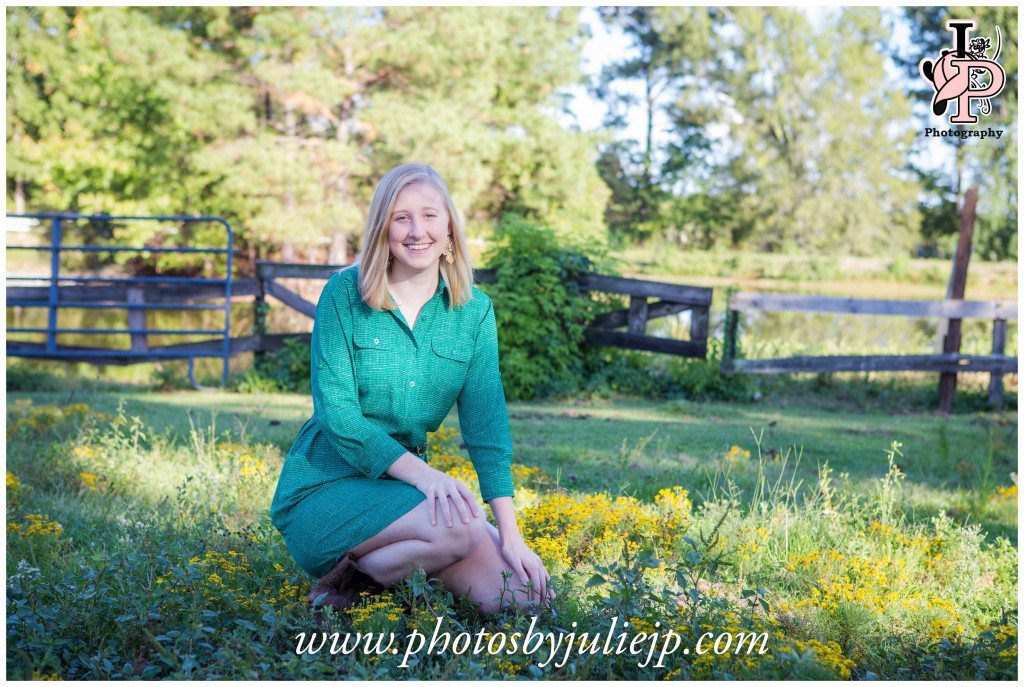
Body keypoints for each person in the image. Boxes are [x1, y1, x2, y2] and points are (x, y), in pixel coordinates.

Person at [270, 162, 552, 615]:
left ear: (450, 229)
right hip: (326, 487)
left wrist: (512, 537)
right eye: (401, 217)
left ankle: (369, 577)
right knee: (461, 528)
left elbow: (487, 429)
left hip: (406, 499)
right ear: (383, 228)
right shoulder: (344, 294)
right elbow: (337, 415)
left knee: (524, 596)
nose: (416, 230)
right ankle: (361, 579)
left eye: (429, 215)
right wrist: (426, 477)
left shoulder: (474, 312)